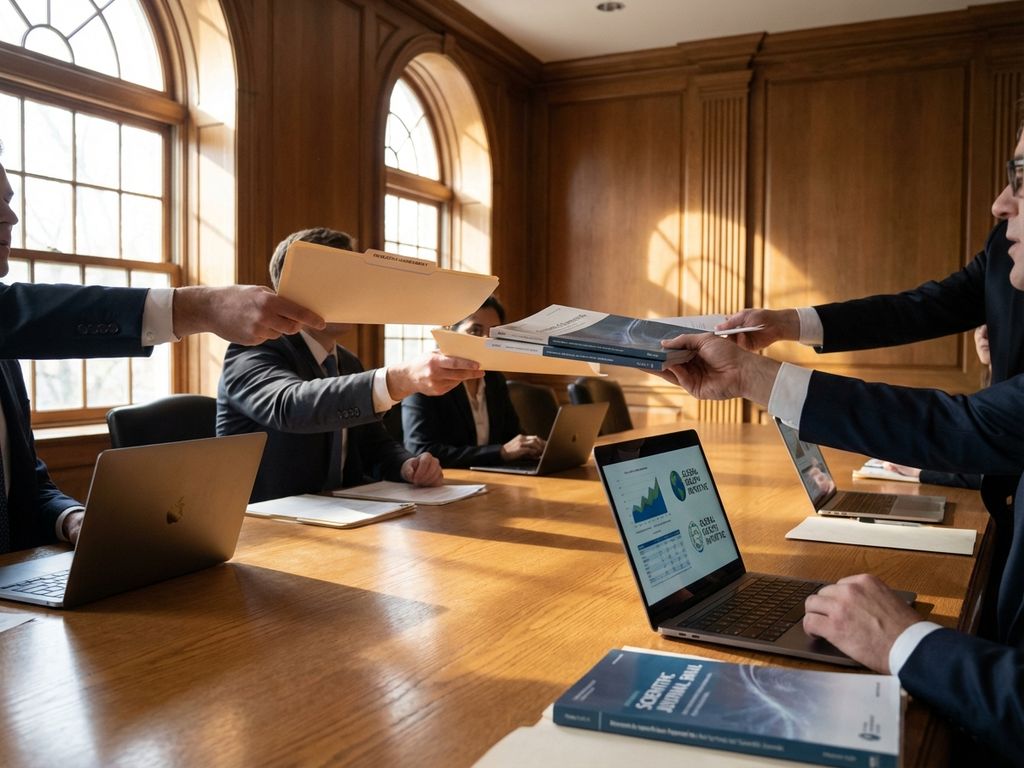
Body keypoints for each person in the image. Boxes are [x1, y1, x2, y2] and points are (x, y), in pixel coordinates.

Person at [656, 132, 1024, 764]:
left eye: (1022, 177)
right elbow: (922, 308)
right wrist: (792, 323)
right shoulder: (1004, 246)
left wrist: (908, 644)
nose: (998, 202)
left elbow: (972, 425)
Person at [0, 150, 324, 553]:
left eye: (10, 201)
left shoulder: (6, 357)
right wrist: (202, 306)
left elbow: (30, 489)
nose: (10, 218)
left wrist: (73, 518)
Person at [217, 227, 486, 501]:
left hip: (344, 516)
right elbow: (290, 405)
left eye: (353, 280)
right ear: (289, 290)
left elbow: (372, 444)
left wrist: (408, 466)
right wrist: (399, 378)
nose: (351, 290)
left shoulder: (345, 361)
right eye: (334, 280)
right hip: (268, 527)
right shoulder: (251, 349)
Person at [402, 295, 546, 468]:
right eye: (475, 331)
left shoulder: (494, 379)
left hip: (493, 480)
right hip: (445, 486)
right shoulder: (425, 379)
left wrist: (531, 447)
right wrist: (500, 452)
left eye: (494, 333)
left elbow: (512, 437)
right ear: (449, 334)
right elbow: (420, 450)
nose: (486, 340)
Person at [881, 324, 990, 489]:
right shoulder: (988, 384)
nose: (983, 333)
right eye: (978, 326)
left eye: (994, 323)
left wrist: (922, 471)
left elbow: (995, 473)